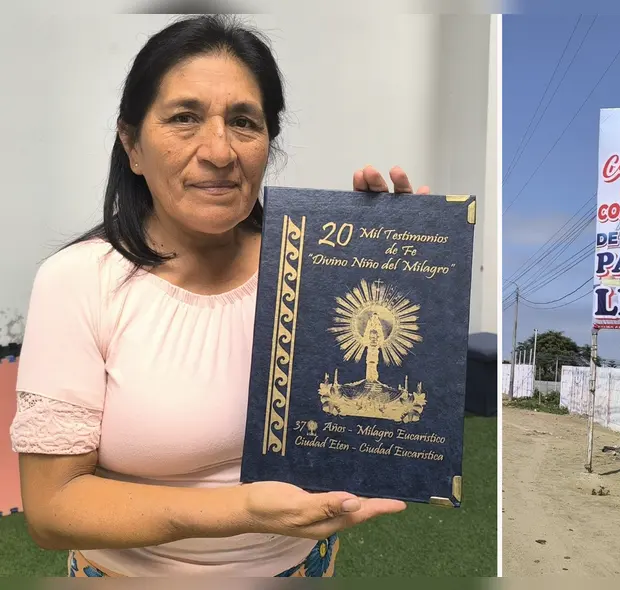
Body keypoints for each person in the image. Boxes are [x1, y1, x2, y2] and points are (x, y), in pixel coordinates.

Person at [9, 15, 428, 577]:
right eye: (184, 118)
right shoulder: (78, 280)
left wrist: (400, 259)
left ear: (268, 144)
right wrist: (244, 510)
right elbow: (51, 509)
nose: (220, 151)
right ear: (131, 143)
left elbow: (377, 398)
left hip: (300, 569)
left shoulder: (313, 268)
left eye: (244, 123)